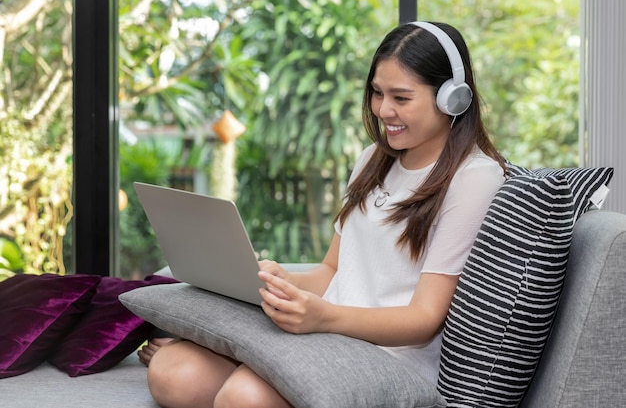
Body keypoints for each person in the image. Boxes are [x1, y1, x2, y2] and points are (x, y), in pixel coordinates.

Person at [138, 20, 506, 408]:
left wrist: (325, 318)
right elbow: (331, 271)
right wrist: (282, 281)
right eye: (377, 93)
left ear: (453, 98)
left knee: (244, 397)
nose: (383, 110)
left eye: (401, 97)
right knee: (172, 371)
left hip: (393, 356)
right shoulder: (374, 159)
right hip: (327, 336)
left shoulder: (474, 178)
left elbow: (425, 317)